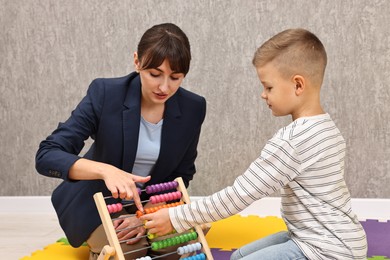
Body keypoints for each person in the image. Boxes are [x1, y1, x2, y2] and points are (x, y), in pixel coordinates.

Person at [141, 28, 368, 259]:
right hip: (335, 238)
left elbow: (238, 196)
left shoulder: (293, 141)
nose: (263, 94)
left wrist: (176, 217)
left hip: (325, 250)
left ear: (298, 85)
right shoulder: (327, 127)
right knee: (239, 255)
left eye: (268, 87)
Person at [35, 23, 206, 260]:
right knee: (127, 250)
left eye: (175, 77)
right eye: (154, 74)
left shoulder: (193, 108)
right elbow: (47, 154)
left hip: (149, 204)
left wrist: (144, 216)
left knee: (175, 248)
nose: (164, 87)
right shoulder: (106, 93)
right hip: (96, 198)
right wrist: (106, 171)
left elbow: (182, 174)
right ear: (137, 62)